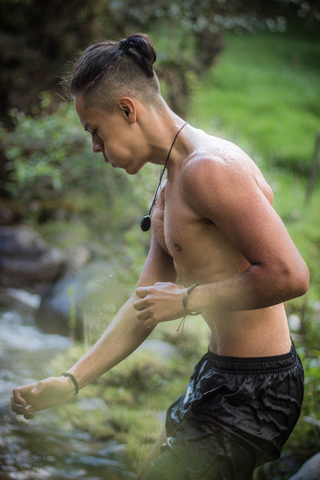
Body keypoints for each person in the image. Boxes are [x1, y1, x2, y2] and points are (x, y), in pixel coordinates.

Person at [11, 33, 309, 480]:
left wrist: (188, 300)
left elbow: (291, 276)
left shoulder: (208, 170)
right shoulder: (171, 183)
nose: (94, 146)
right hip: (218, 374)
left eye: (95, 130)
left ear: (128, 110)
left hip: (258, 387)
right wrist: (72, 382)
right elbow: (145, 304)